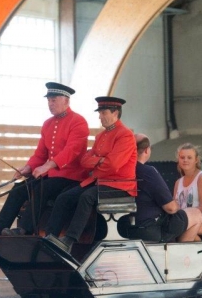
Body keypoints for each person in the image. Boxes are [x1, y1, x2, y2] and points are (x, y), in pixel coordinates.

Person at [0, 82, 89, 237]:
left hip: (71, 177)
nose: (50, 104)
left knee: (42, 188)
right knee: (19, 188)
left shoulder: (78, 121)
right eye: (48, 100)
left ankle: (24, 229)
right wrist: (27, 168)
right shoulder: (48, 124)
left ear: (66, 101)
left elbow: (71, 151)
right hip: (51, 176)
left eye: (53, 100)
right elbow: (40, 154)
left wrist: (47, 167)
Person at [45, 96, 137, 255]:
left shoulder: (125, 135)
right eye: (100, 113)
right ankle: (49, 237)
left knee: (87, 197)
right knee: (64, 197)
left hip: (119, 185)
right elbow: (84, 160)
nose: (100, 117)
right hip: (99, 182)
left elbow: (113, 165)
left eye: (103, 113)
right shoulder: (101, 136)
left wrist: (97, 163)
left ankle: (69, 240)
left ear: (115, 112)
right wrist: (100, 161)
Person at [118, 135, 202, 243]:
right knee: (196, 214)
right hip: (150, 228)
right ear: (146, 150)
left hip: (124, 227)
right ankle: (181, 256)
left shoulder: (119, 170)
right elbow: (171, 208)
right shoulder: (148, 172)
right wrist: (176, 205)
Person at [173, 143, 202, 214]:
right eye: (182, 157)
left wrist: (185, 217)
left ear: (196, 159)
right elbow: (175, 206)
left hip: (197, 221)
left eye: (189, 157)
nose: (185, 160)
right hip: (180, 221)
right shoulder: (178, 182)